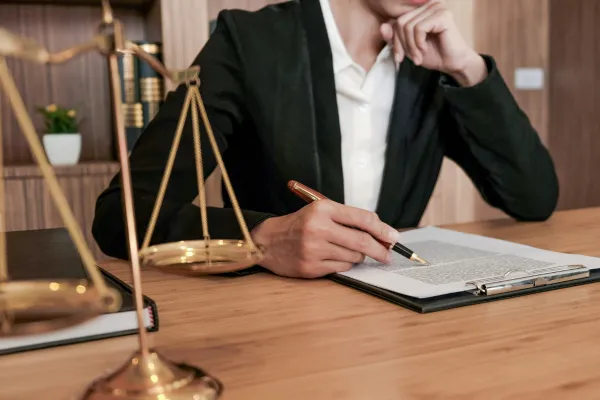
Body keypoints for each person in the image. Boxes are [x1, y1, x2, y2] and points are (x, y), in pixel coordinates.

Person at [92, 0, 559, 279]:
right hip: (276, 320)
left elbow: (533, 198)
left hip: (403, 317)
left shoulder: (432, 63)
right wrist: (260, 240)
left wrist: (468, 69)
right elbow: (122, 218)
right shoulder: (250, 40)